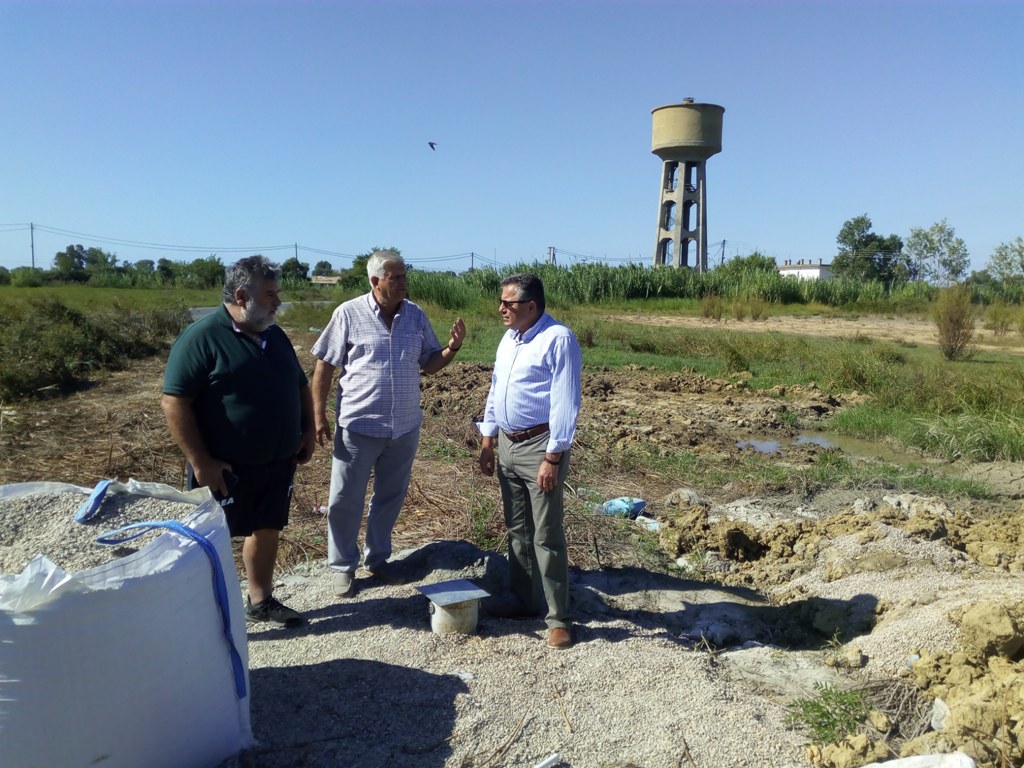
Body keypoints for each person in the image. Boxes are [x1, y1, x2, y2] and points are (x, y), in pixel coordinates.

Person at [162, 255, 316, 628]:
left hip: (277, 462)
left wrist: (308, 430)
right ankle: (199, 616)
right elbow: (174, 402)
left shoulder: (274, 336)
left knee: (267, 527)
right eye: (270, 294)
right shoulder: (202, 337)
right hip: (224, 466)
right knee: (208, 539)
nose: (278, 301)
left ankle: (260, 601)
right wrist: (201, 461)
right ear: (242, 295)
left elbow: (299, 386)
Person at [311, 250, 465, 598]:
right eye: (396, 277)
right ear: (375, 281)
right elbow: (324, 366)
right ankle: (343, 566)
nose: (404, 282)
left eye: (405, 275)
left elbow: (429, 364)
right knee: (344, 499)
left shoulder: (415, 315)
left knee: (390, 497)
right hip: (358, 426)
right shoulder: (348, 313)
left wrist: (452, 348)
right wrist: (318, 415)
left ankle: (378, 558)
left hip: (404, 427)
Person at [477, 273, 582, 649]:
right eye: (501, 302)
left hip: (540, 446)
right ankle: (524, 600)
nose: (501, 309)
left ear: (532, 306)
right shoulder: (510, 339)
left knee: (546, 535)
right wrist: (488, 438)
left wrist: (553, 457)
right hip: (508, 444)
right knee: (517, 529)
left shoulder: (558, 339)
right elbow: (495, 389)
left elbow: (566, 401)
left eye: (508, 303)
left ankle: (558, 618)